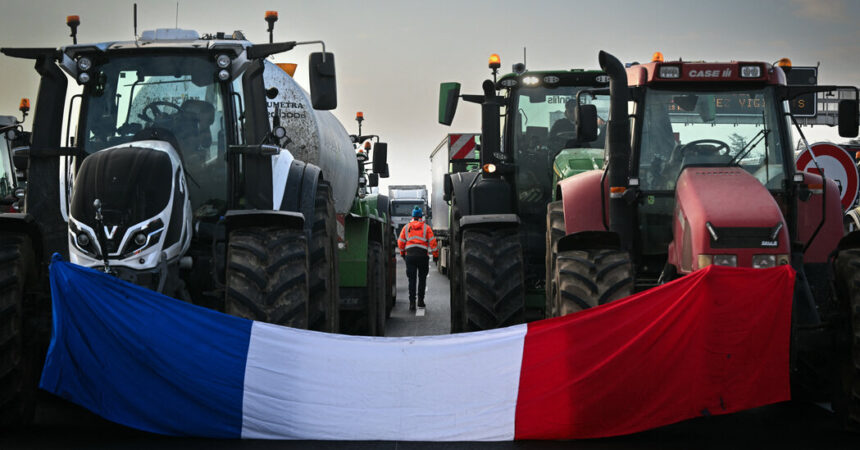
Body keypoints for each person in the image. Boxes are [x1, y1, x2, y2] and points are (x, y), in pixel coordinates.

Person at [397, 206, 438, 310]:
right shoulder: (426, 228)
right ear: (421, 216)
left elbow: (400, 242)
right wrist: (436, 256)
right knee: (422, 279)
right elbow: (433, 242)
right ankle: (420, 301)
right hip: (422, 256)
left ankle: (412, 303)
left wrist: (402, 253)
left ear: (412, 216)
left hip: (410, 256)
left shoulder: (406, 228)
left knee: (412, 280)